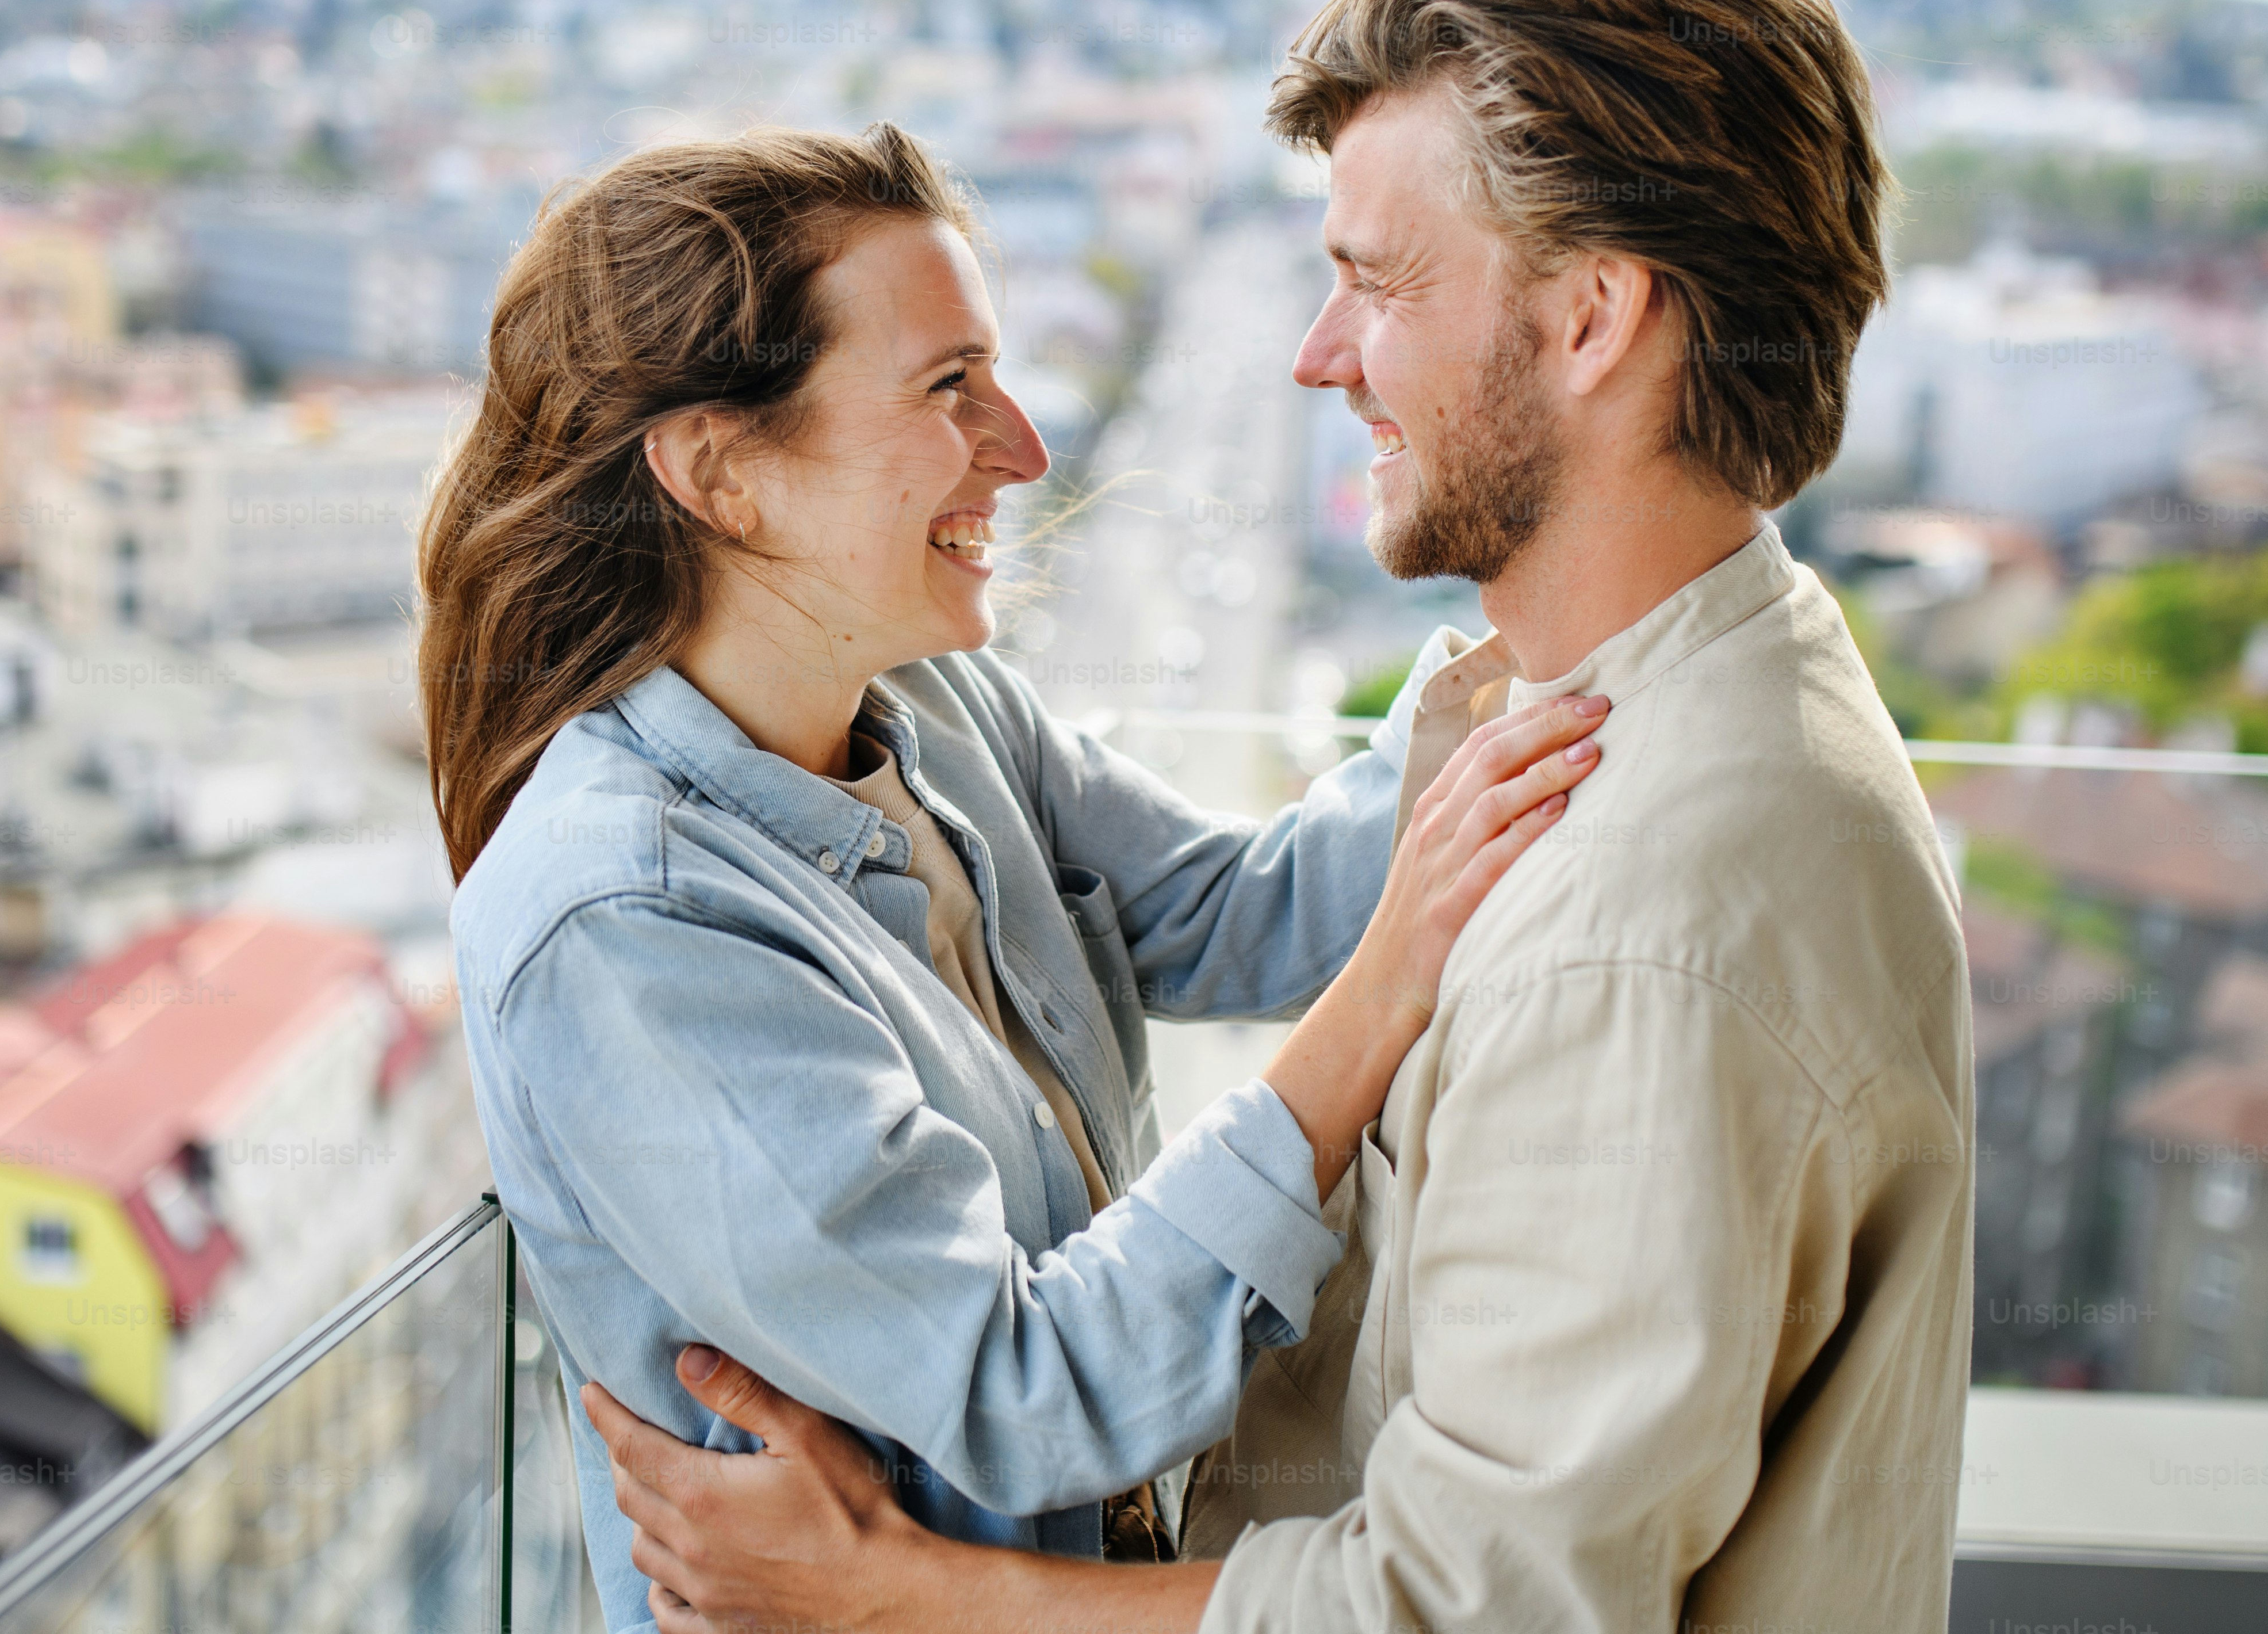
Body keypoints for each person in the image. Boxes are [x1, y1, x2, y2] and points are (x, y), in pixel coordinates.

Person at [585, 0, 1976, 1633]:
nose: (1321, 358)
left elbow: (1457, 1615)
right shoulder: (1653, 725)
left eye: (1378, 286)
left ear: (1593, 319)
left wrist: (907, 1593)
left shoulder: (1652, 922)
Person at [422, 121, 1609, 1634]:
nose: (1027, 448)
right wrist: (1389, 990)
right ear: (723, 472)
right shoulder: (626, 922)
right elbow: (1031, 1393)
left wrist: (1559, 628)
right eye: (947, 387)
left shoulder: (932, 710)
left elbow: (1239, 915)